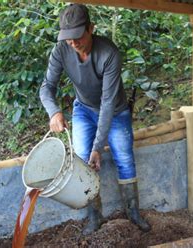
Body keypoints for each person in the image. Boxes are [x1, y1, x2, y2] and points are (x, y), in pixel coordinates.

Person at [39, 4, 151, 235]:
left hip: (116, 111)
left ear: (91, 28)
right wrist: (54, 111)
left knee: (124, 159)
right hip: (83, 110)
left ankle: (133, 214)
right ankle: (94, 217)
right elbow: (46, 87)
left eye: (78, 36)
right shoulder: (61, 50)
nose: (73, 43)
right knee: (82, 160)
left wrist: (98, 147)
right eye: (68, 38)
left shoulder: (108, 53)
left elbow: (108, 102)